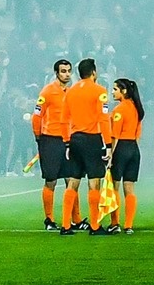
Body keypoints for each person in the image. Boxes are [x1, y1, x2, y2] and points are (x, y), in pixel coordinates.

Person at [59, 58, 109, 236]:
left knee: (73, 181)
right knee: (94, 182)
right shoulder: (100, 91)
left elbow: (63, 119)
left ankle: (65, 225)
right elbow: (103, 119)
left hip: (75, 139)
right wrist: (108, 144)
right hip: (91, 139)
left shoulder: (70, 92)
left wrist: (66, 142)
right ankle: (95, 226)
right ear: (94, 73)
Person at [32, 58, 72, 229]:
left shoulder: (72, 92)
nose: (67, 74)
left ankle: (73, 219)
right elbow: (36, 116)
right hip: (50, 140)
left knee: (71, 180)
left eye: (69, 70)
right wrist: (38, 137)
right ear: (56, 73)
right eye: (63, 71)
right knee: (51, 180)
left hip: (68, 140)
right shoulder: (47, 92)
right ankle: (49, 219)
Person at [105, 77, 145, 234]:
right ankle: (129, 225)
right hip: (134, 149)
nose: (112, 92)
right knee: (129, 188)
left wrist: (110, 156)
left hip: (121, 148)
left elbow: (115, 135)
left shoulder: (119, 110)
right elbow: (137, 133)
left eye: (115, 89)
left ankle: (115, 223)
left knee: (114, 186)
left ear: (124, 91)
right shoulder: (137, 109)